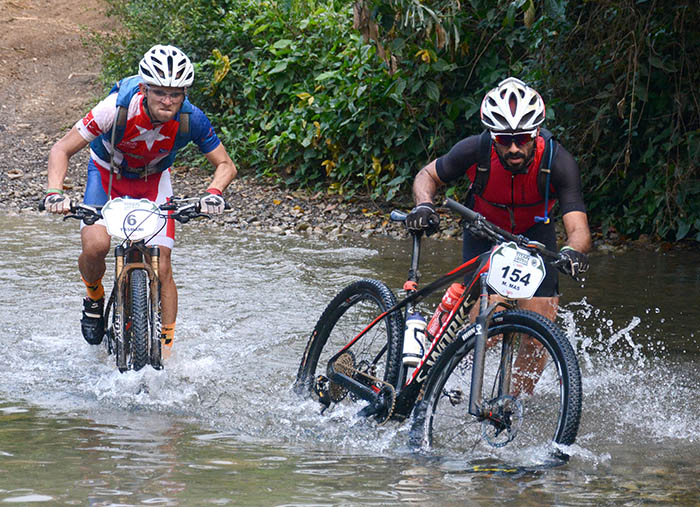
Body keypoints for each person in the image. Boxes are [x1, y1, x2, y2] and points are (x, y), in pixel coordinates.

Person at [43, 44, 238, 349]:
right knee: (96, 246)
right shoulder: (114, 109)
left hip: (154, 181)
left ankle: (167, 350)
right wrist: (55, 192)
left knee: (161, 265)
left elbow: (225, 165)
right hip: (107, 174)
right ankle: (94, 296)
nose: (168, 100)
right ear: (145, 88)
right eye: (160, 92)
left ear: (185, 93)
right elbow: (61, 149)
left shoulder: (192, 119)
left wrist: (213, 193)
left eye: (176, 93)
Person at [405, 76, 591, 323]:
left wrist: (573, 252)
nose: (514, 148)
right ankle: (463, 352)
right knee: (486, 320)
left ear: (535, 133)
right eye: (504, 139)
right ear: (493, 137)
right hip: (483, 231)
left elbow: (579, 228)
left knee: (538, 329)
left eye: (522, 138)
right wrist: (424, 205)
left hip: (535, 235)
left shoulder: (558, 162)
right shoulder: (474, 150)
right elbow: (427, 174)